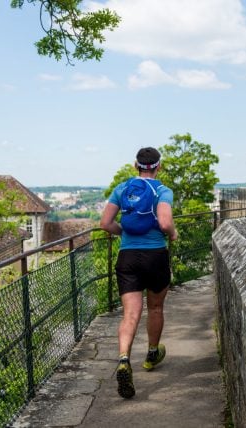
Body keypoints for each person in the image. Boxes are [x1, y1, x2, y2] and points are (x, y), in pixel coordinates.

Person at [100, 147, 178, 399]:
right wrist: (173, 233)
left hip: (128, 258)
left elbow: (105, 223)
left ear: (136, 166)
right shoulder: (162, 191)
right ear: (158, 167)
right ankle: (152, 353)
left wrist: (124, 232)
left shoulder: (122, 189)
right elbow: (165, 223)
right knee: (155, 308)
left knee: (130, 314)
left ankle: (124, 359)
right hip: (155, 255)